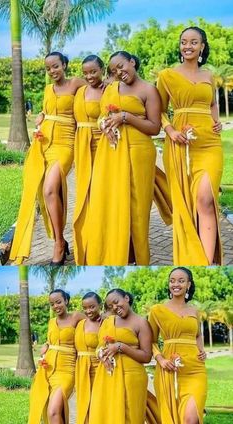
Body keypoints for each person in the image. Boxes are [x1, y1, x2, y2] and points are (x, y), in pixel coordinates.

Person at [86, 50, 161, 265]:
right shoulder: (111, 89)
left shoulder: (149, 90)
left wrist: (126, 117)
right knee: (114, 203)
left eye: (121, 66)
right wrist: (104, 124)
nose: (118, 72)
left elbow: (154, 128)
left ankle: (140, 258)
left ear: (132, 61)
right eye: (113, 70)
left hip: (139, 153)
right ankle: (121, 254)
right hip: (112, 151)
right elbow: (102, 115)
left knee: (138, 209)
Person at [10, 51, 85, 265]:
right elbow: (46, 110)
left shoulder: (77, 84)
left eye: (56, 66)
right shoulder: (47, 89)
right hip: (44, 143)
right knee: (51, 194)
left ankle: (58, 244)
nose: (52, 71)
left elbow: (97, 91)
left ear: (65, 65)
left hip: (66, 145)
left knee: (49, 189)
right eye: (48, 68)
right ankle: (60, 240)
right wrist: (41, 116)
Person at [157, 27, 223, 265]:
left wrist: (216, 122)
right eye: (184, 42)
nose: (188, 46)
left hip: (209, 143)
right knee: (188, 202)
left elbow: (213, 104)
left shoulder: (209, 75)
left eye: (194, 42)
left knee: (205, 198)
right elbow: (159, 110)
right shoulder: (166, 75)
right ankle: (195, 256)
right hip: (180, 144)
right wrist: (171, 131)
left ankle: (205, 262)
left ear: (202, 46)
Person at [148, 267, 207, 424]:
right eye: (172, 280)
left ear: (188, 284)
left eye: (181, 281)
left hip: (195, 369)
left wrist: (202, 350)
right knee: (171, 417)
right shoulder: (156, 310)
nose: (176, 284)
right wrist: (160, 360)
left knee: (191, 418)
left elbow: (198, 334)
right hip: (169, 369)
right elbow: (151, 340)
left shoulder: (194, 310)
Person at [89, 288, 154, 424]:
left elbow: (147, 356)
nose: (114, 307)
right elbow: (99, 346)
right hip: (108, 376)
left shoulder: (141, 323)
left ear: (126, 298)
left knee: (131, 417)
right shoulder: (108, 322)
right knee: (108, 416)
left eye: (116, 302)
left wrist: (121, 347)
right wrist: (101, 354)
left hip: (132, 378)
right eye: (110, 306)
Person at [28, 289, 85, 424]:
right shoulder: (51, 322)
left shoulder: (76, 317)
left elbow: (95, 321)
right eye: (52, 304)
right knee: (53, 409)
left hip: (67, 371)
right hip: (48, 369)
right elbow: (51, 341)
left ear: (66, 301)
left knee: (53, 411)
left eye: (58, 302)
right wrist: (46, 345)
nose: (55, 306)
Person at [73, 55, 104, 264]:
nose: (89, 76)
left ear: (101, 69)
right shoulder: (80, 91)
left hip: (104, 146)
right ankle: (86, 243)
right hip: (82, 146)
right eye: (85, 73)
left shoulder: (110, 90)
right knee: (85, 193)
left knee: (101, 194)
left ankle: (101, 243)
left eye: (93, 71)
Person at [74, 292, 102, 424]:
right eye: (85, 308)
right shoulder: (80, 324)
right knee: (84, 403)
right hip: (81, 370)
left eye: (92, 307)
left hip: (99, 369)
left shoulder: (105, 323)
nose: (88, 311)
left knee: (98, 403)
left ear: (100, 305)